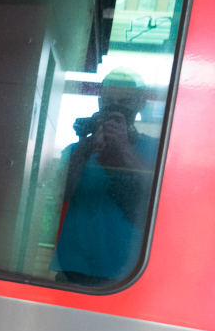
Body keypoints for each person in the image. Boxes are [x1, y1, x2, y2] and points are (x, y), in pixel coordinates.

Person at [52, 69, 158, 286]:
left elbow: (161, 199)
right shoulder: (77, 150)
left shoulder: (156, 150)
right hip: (72, 267)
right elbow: (58, 196)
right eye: (109, 100)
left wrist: (123, 148)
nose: (115, 107)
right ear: (100, 103)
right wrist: (84, 150)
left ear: (141, 104)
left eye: (125, 101)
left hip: (131, 273)